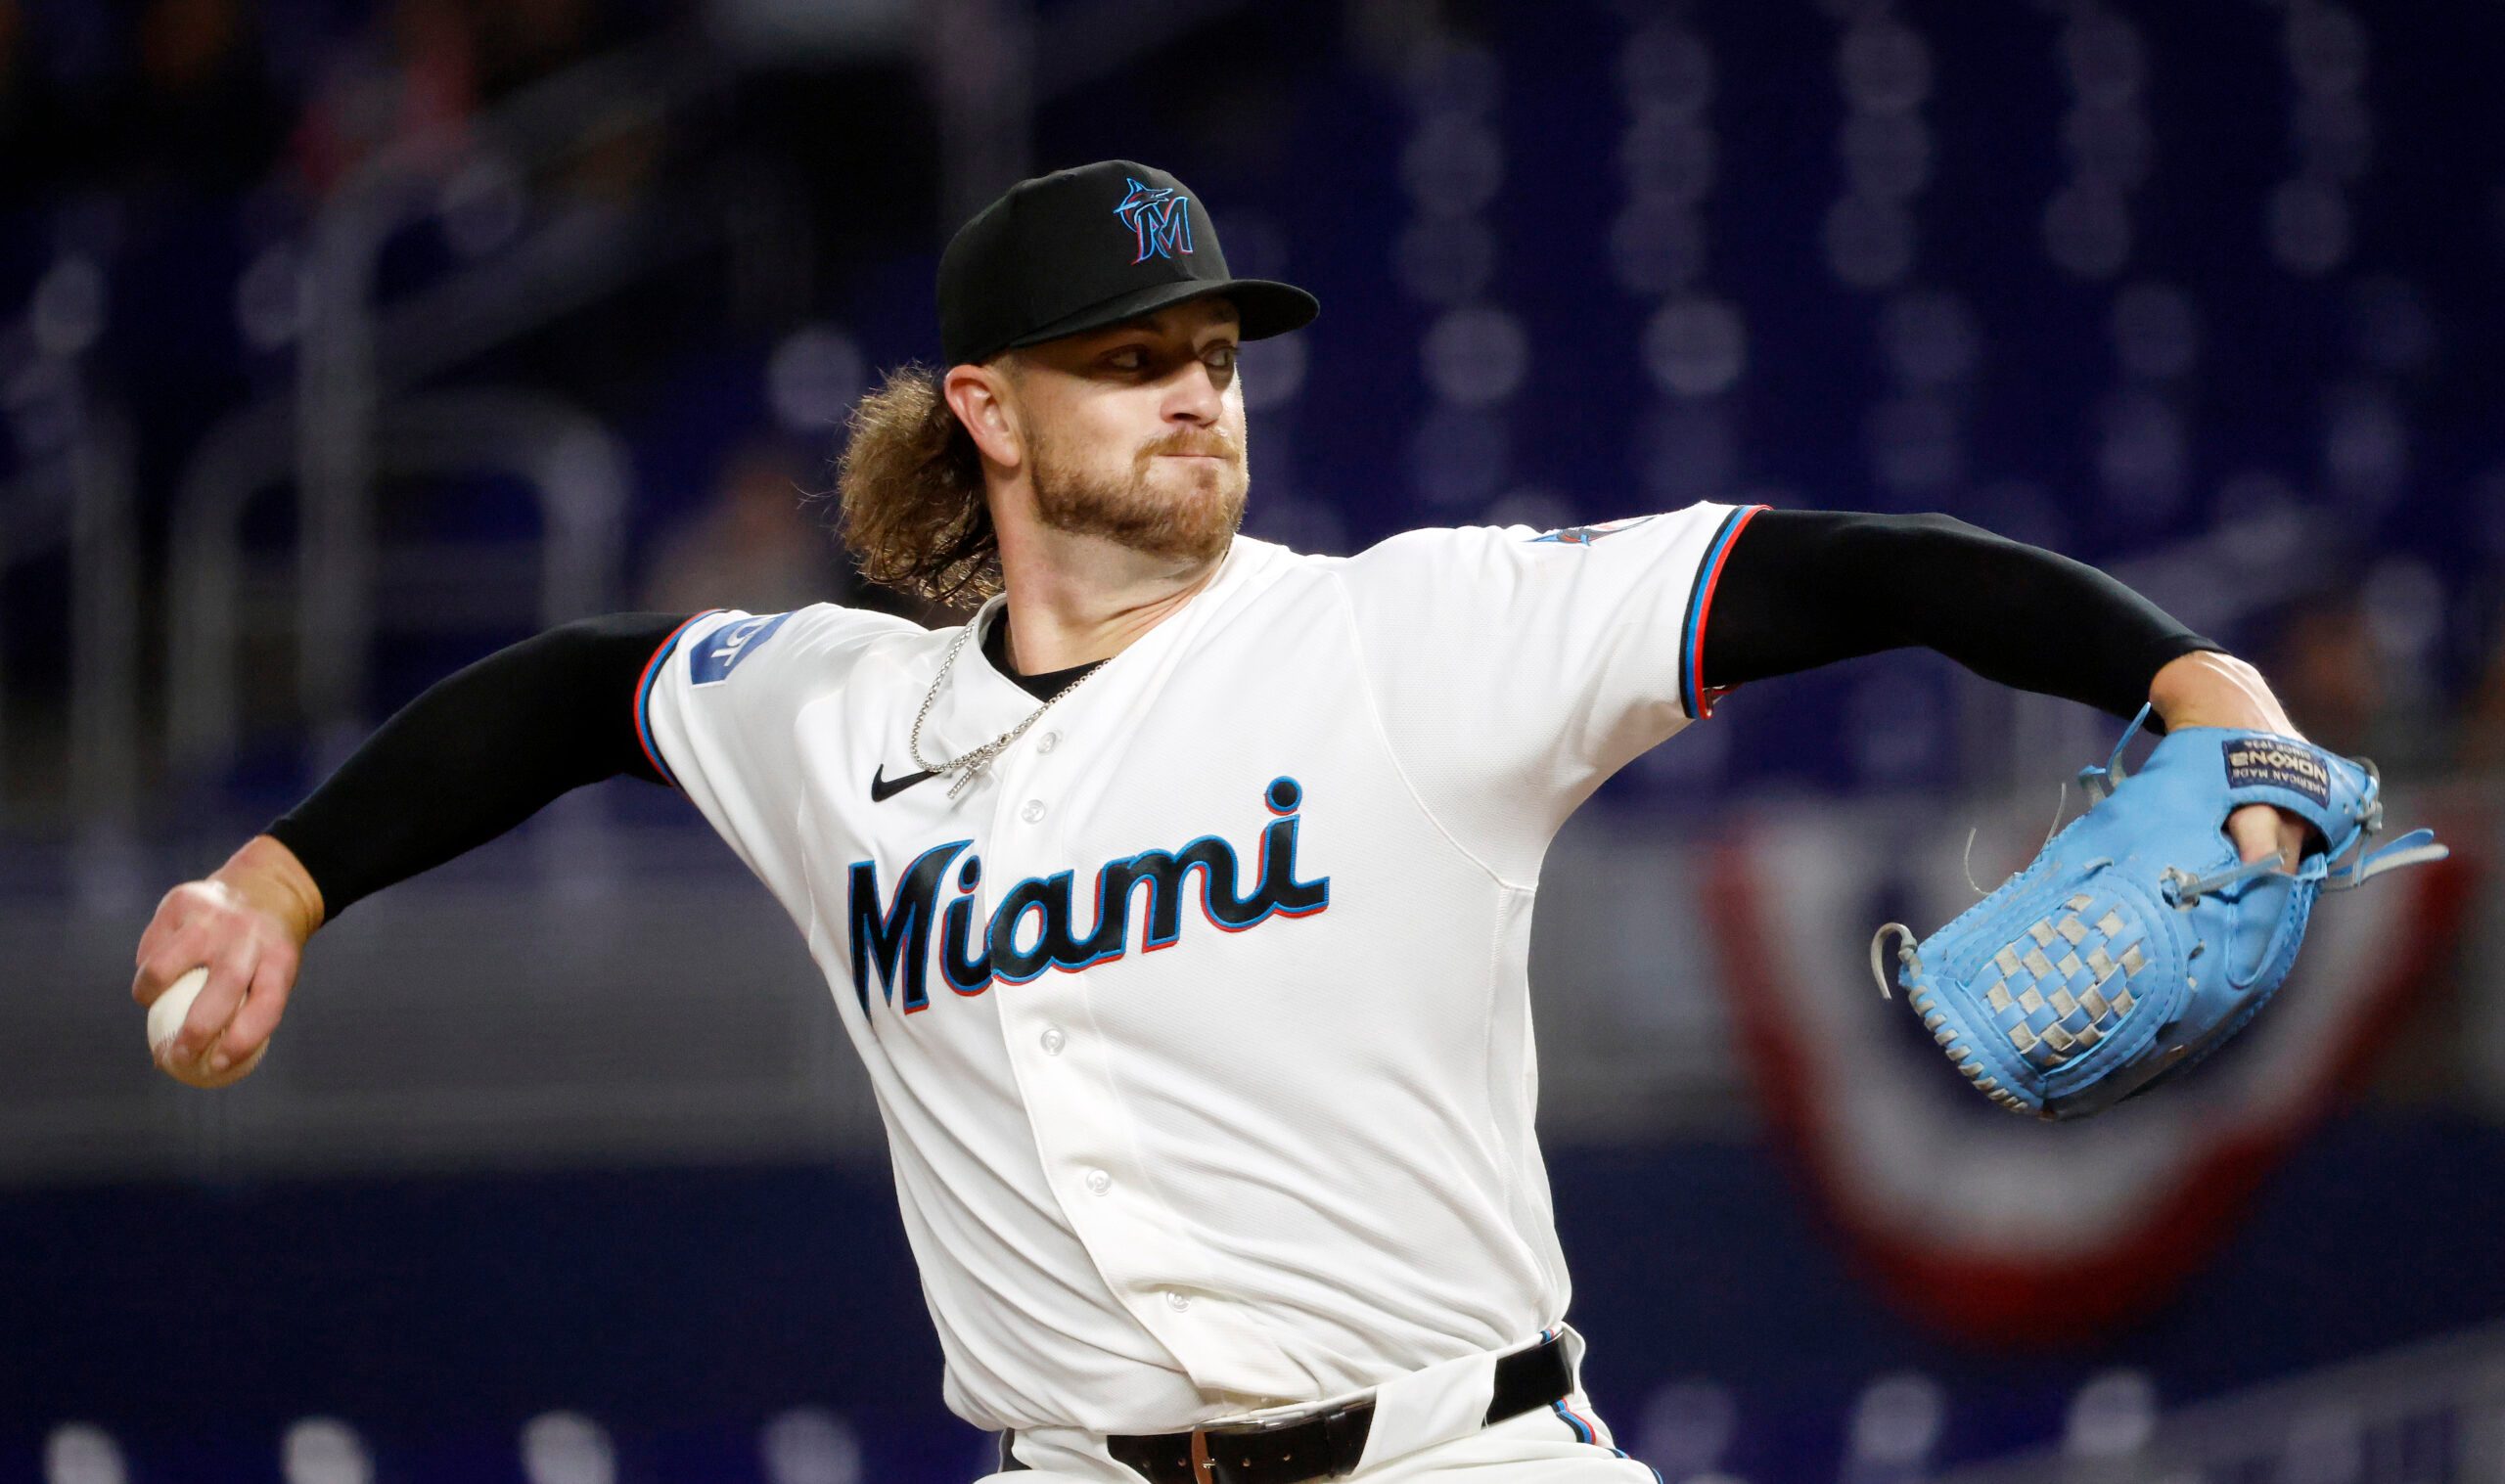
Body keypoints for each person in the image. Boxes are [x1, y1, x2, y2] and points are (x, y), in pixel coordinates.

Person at [133, 160, 2312, 1483]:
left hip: (1460, 1460)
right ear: (984, 410)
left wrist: (2186, 681)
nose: (1195, 386)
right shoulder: (835, 716)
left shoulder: (1413, 636)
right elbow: (573, 692)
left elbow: (1845, 563)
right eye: (1125, 353)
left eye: (1213, 349)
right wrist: (277, 884)